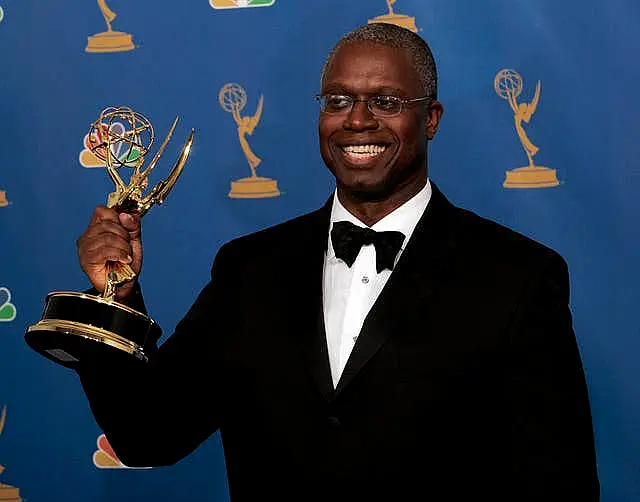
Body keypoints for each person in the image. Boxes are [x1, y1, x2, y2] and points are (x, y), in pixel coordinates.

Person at [75, 23, 600, 501]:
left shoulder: (518, 276)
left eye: (386, 101)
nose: (358, 120)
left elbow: (561, 483)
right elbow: (149, 435)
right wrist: (115, 296)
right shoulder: (249, 270)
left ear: (431, 119)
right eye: (338, 99)